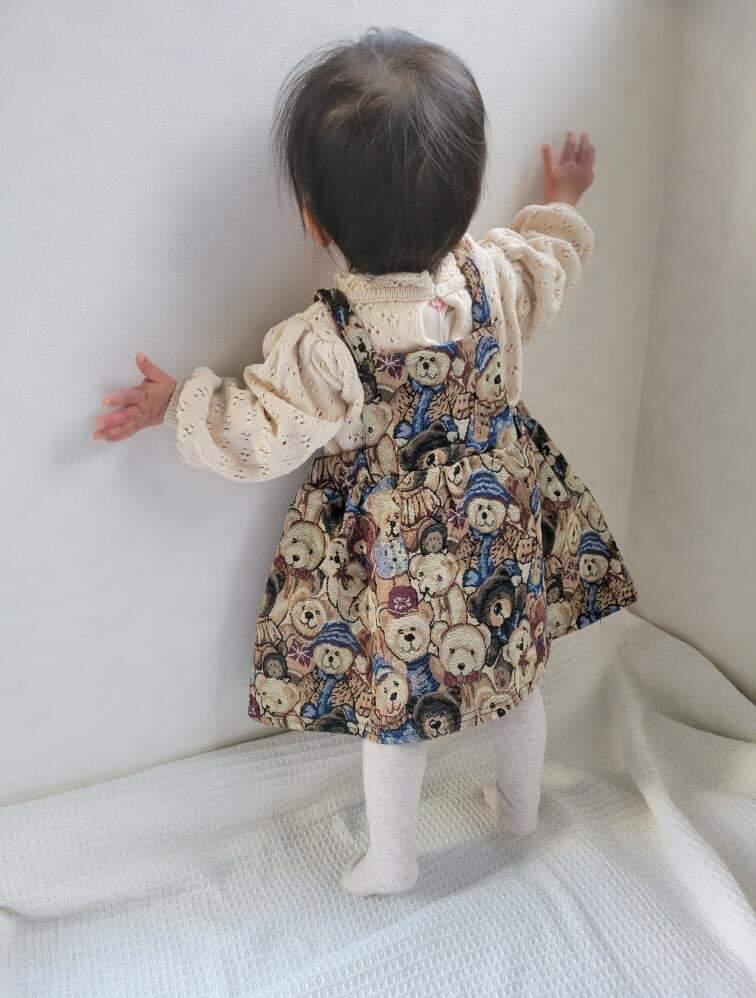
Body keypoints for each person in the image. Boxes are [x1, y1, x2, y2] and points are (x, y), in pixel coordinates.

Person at [93, 29, 637, 896]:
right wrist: (561, 198)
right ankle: (520, 809)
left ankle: (394, 858)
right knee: (519, 673)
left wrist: (177, 406)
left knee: (398, 712)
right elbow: (552, 261)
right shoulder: (493, 280)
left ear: (315, 220)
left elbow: (260, 431)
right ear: (468, 199)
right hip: (503, 523)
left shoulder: (330, 340)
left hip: (402, 557)